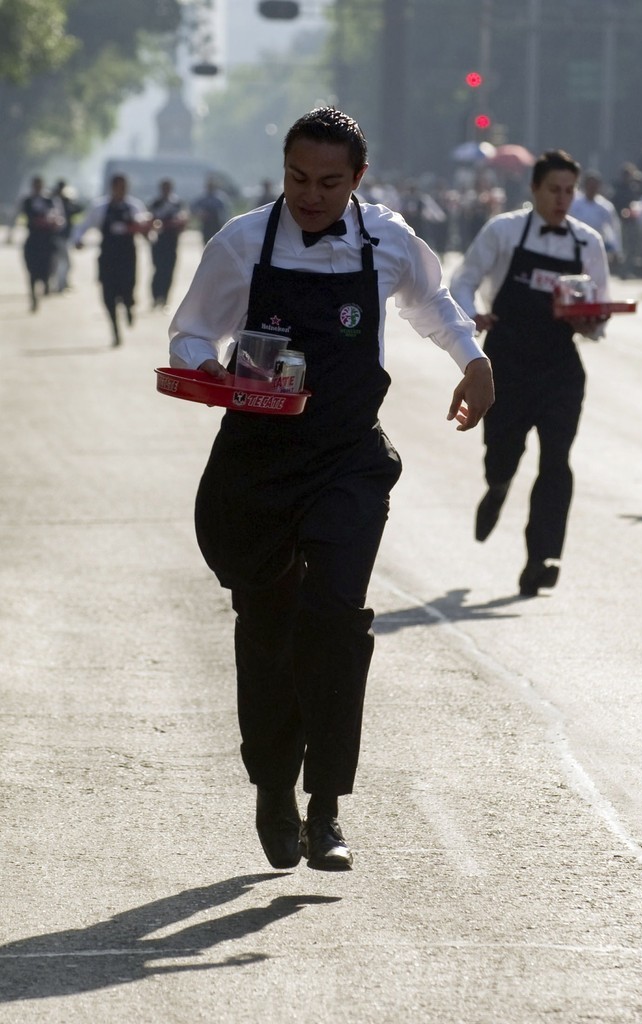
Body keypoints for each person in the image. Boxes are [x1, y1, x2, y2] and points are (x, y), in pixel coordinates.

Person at [168, 107, 494, 872]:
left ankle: (326, 808)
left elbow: (432, 306)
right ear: (281, 171)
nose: (310, 196)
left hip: (347, 458)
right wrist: (207, 369)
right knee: (266, 626)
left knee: (334, 617)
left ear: (357, 179)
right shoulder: (243, 241)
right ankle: (274, 788)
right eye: (297, 180)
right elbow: (189, 331)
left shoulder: (386, 241)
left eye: (328, 183)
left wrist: (473, 362)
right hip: (257, 461)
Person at [451, 149, 610, 597]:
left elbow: (600, 312)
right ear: (535, 190)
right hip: (506, 364)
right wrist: (472, 313)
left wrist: (589, 321)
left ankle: (542, 557)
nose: (562, 200)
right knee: (502, 452)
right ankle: (497, 486)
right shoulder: (502, 231)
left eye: (569, 191)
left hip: (560, 368)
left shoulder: (587, 243)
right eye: (554, 190)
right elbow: (463, 279)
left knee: (556, 461)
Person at [73, 174, 148, 346]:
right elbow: (84, 225)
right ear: (112, 187)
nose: (121, 190)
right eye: (118, 187)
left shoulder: (134, 206)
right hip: (107, 256)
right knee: (108, 295)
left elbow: (144, 227)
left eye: (124, 187)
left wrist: (147, 233)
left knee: (127, 290)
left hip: (128, 257)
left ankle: (129, 305)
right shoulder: (100, 207)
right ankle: (115, 330)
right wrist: (78, 239)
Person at [6, 176, 63, 312]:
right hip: (33, 239)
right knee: (31, 270)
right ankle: (33, 297)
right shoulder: (27, 200)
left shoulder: (50, 200)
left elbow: (59, 218)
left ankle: (46, 283)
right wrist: (10, 234)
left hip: (47, 240)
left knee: (47, 266)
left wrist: (54, 223)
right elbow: (14, 216)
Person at [569, 170, 622, 271]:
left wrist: (616, 250)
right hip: (576, 245)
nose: (592, 188)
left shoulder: (605, 207)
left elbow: (614, 228)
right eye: (590, 184)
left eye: (595, 185)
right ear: (584, 185)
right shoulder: (574, 203)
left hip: (596, 247)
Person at [147, 178, 187, 309]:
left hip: (171, 240)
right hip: (158, 240)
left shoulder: (177, 203)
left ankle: (165, 298)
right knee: (158, 269)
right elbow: (150, 220)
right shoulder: (155, 203)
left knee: (169, 270)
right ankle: (155, 296)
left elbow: (182, 219)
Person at [51, 179, 84, 293]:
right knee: (64, 263)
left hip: (63, 237)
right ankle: (61, 285)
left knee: (59, 263)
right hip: (59, 237)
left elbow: (79, 209)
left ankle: (60, 284)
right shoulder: (56, 201)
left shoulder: (64, 201)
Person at [190, 176, 231, 245]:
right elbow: (193, 207)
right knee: (206, 243)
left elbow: (226, 211)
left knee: (217, 243)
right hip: (206, 224)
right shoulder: (203, 198)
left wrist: (226, 224)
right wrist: (199, 214)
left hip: (217, 224)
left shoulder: (220, 198)